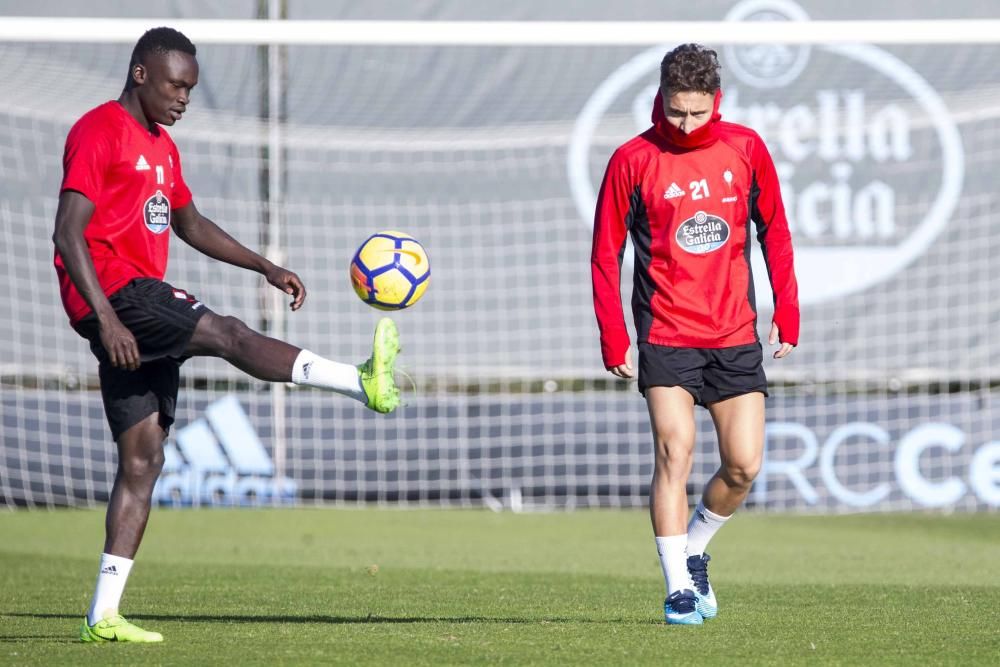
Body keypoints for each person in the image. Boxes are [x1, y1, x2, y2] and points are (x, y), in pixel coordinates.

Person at [53, 27, 401, 643]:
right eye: (175, 85)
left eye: (190, 88)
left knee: (144, 459)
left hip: (127, 313)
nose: (184, 98)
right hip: (120, 294)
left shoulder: (162, 148)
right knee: (227, 332)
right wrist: (105, 317)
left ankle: (101, 615)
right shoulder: (99, 130)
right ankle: (361, 381)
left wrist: (263, 265)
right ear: (141, 75)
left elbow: (188, 221)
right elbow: (67, 232)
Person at [591, 43, 799, 625]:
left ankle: (696, 549)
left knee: (743, 466)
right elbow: (604, 256)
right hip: (667, 333)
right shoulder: (633, 159)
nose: (684, 125)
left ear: (717, 102)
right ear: (661, 99)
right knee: (673, 451)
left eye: (696, 113)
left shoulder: (746, 149)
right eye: (674, 111)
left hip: (734, 333)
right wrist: (614, 337)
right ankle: (678, 586)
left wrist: (788, 309)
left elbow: (775, 233)